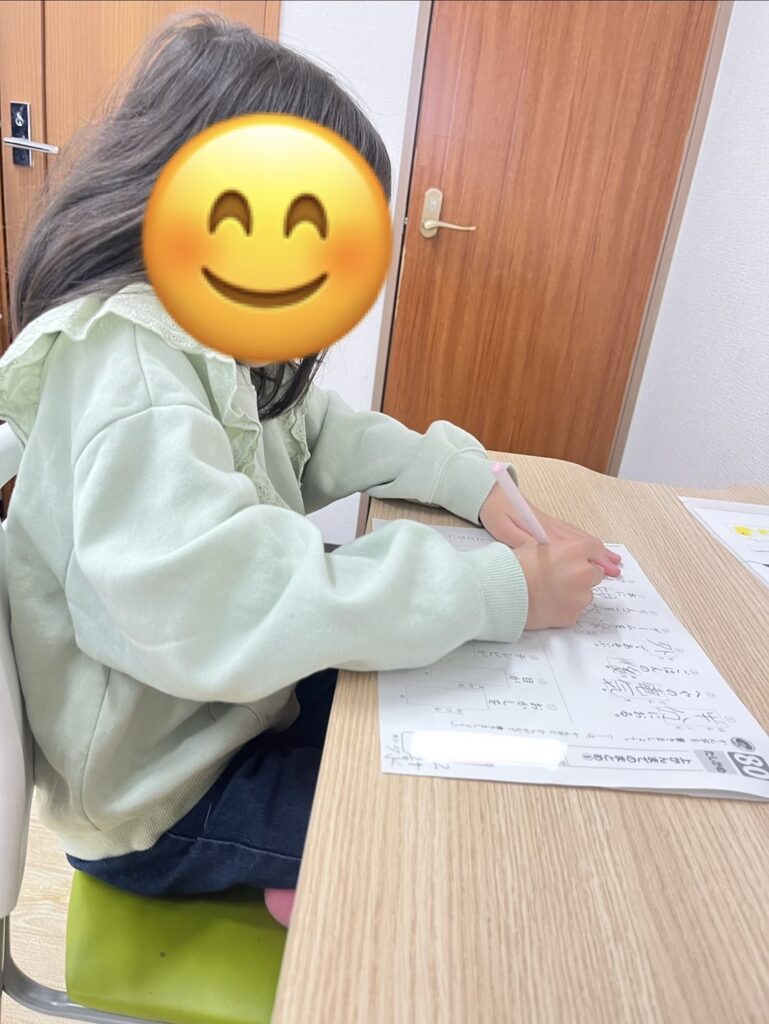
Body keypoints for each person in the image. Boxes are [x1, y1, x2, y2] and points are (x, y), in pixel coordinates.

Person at [0, 13, 620, 927]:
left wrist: (466, 480)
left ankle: (304, 875)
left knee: (450, 710)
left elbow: (318, 430)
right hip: (163, 799)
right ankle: (304, 889)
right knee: (459, 840)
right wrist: (502, 589)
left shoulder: (208, 334)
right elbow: (226, 603)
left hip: (228, 709)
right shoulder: (131, 375)